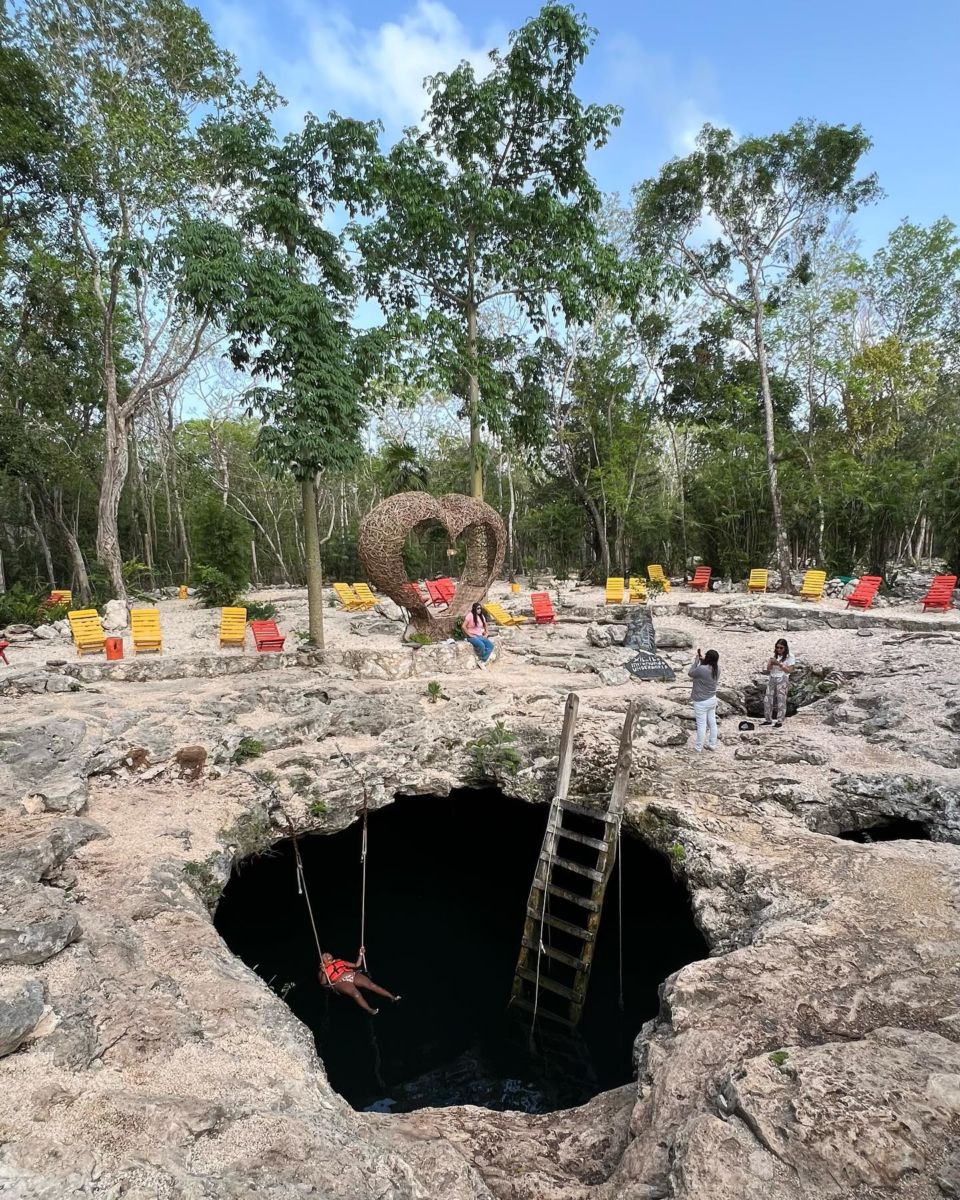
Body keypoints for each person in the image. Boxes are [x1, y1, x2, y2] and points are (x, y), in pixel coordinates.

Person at [319, 949, 401, 1015]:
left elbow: (356, 965)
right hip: (340, 982)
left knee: (371, 985)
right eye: (324, 956)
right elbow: (323, 983)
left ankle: (392, 997)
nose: (326, 955)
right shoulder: (322, 970)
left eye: (327, 953)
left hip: (352, 975)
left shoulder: (340, 961)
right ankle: (369, 1009)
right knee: (356, 994)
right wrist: (323, 971)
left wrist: (360, 955)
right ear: (322, 960)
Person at [688, 647, 719, 752]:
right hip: (712, 698)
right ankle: (712, 744)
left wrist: (696, 662)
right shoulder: (717, 669)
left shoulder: (702, 669)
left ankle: (698, 747)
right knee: (712, 723)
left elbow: (691, 673)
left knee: (701, 725)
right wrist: (703, 661)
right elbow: (705, 671)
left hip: (701, 701)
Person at [763, 638, 795, 727]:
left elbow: (789, 670)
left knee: (781, 699)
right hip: (772, 677)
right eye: (777, 647)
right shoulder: (774, 656)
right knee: (767, 699)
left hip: (782, 677)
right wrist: (770, 663)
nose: (779, 650)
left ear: (785, 648)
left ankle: (780, 720)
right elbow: (768, 669)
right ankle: (768, 719)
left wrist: (780, 664)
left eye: (781, 648)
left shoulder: (790, 657)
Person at [463, 602, 494, 669]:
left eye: (480, 608)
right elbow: (463, 626)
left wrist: (487, 632)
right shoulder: (470, 615)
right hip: (472, 636)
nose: (479, 610)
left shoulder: (481, 616)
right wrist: (469, 634)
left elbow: (485, 624)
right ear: (474, 609)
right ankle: (482, 659)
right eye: (478, 608)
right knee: (481, 645)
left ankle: (482, 660)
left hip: (480, 635)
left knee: (490, 645)